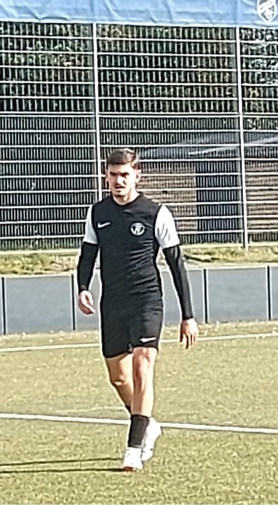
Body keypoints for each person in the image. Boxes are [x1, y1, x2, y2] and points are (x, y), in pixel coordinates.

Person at [76, 147, 199, 472]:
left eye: (124, 175)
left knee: (142, 368)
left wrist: (187, 316)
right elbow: (87, 255)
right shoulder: (97, 213)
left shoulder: (156, 213)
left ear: (137, 176)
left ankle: (133, 448)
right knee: (118, 378)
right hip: (113, 304)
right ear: (106, 176)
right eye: (113, 175)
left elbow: (177, 264)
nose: (118, 181)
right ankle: (147, 424)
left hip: (146, 301)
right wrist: (83, 288)